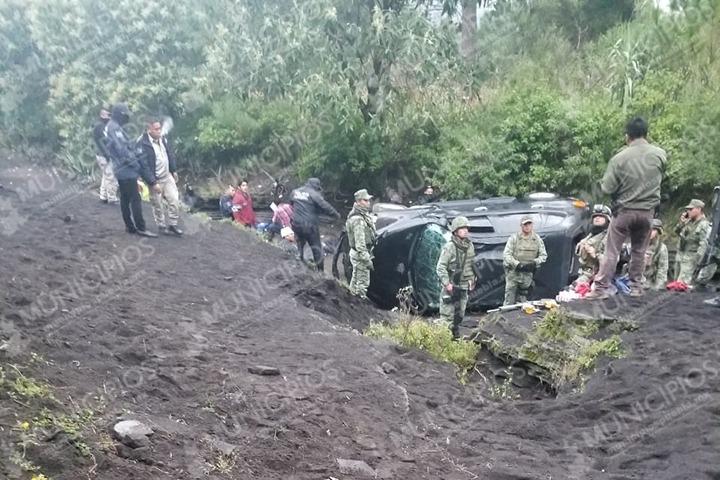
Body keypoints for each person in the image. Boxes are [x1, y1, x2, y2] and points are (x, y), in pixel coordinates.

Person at [586, 117, 667, 299]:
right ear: (647, 133)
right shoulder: (660, 154)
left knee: (612, 249)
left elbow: (607, 188)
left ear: (627, 136)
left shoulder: (619, 158)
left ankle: (600, 289)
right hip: (648, 213)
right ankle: (636, 287)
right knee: (639, 250)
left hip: (624, 211)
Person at [105, 103, 157, 237]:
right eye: (125, 114)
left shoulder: (113, 127)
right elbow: (122, 150)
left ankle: (129, 226)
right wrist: (136, 165)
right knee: (135, 198)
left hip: (120, 169)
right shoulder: (114, 129)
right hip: (126, 170)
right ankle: (141, 227)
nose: (127, 117)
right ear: (120, 115)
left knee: (125, 198)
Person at [137, 119, 183, 236]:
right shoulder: (142, 143)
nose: (159, 131)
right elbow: (144, 165)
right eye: (156, 129)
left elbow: (169, 154)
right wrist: (152, 182)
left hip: (167, 175)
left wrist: (173, 170)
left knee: (174, 199)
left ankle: (173, 224)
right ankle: (161, 225)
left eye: (160, 128)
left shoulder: (163, 139)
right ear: (149, 130)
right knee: (157, 204)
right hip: (155, 178)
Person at [436, 216, 477, 339]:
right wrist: (447, 283)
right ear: (455, 230)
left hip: (464, 286)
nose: (465, 230)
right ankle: (442, 340)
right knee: (447, 316)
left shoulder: (469, 246)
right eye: (462, 228)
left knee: (460, 314)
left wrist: (472, 279)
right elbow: (440, 267)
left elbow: (471, 264)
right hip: (451, 286)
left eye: (466, 228)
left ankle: (454, 335)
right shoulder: (450, 247)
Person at [290, 177, 340, 271]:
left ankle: (299, 262)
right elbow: (325, 206)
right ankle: (320, 271)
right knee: (316, 248)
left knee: (300, 243)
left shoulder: (295, 192)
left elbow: (292, 203)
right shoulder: (314, 194)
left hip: (296, 223)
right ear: (316, 186)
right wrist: (336, 214)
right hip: (309, 225)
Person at [503, 215, 548, 305]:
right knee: (509, 300)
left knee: (523, 301)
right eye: (525, 224)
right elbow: (506, 255)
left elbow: (543, 256)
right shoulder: (514, 238)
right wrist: (517, 264)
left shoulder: (537, 239)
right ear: (521, 226)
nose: (527, 227)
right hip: (514, 273)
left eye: (529, 224)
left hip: (528, 274)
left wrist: (534, 263)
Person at [346, 189, 377, 298]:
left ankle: (351, 301)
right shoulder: (358, 219)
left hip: (358, 253)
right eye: (365, 200)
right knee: (362, 284)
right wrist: (366, 259)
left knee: (355, 281)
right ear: (358, 201)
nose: (368, 202)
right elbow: (360, 243)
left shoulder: (362, 215)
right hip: (360, 255)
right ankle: (359, 306)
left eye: (368, 200)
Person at [673, 199, 711, 284]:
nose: (688, 211)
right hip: (681, 255)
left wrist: (697, 261)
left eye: (691, 209)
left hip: (691, 257)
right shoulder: (688, 221)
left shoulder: (704, 225)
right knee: (676, 283)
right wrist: (681, 223)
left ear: (699, 209)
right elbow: (676, 231)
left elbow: (704, 244)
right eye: (687, 209)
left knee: (682, 284)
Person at [575, 205, 611, 285]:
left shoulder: (609, 237)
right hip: (584, 273)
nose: (597, 218)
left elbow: (611, 262)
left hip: (599, 277)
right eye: (595, 216)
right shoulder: (591, 234)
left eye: (601, 216)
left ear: (607, 219)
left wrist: (595, 254)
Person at [92, 107, 118, 203]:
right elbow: (102, 142)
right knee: (110, 176)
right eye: (108, 115)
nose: (110, 117)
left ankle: (103, 197)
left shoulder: (101, 125)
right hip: (103, 155)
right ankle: (111, 198)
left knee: (106, 175)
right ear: (102, 115)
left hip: (101, 154)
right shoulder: (100, 126)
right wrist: (107, 154)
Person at [644, 219, 669, 290]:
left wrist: (658, 287)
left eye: (654, 230)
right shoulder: (638, 244)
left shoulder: (661, 248)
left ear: (658, 232)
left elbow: (662, 269)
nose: (650, 232)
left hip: (650, 283)